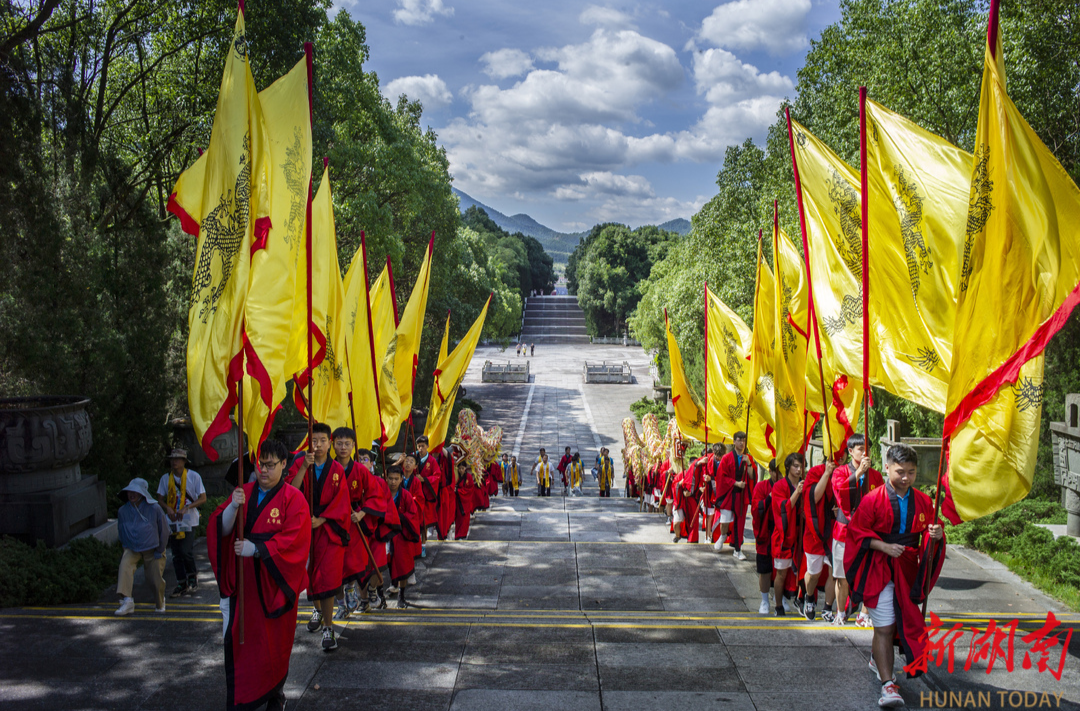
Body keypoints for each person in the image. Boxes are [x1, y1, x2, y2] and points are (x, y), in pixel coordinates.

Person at [207, 439, 311, 711]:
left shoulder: (293, 499)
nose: (264, 470)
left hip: (273, 585)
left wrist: (258, 549)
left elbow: (295, 540)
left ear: (284, 464)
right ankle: (244, 695)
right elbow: (220, 529)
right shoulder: (245, 492)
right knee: (244, 645)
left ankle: (275, 693)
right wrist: (231, 507)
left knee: (273, 645)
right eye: (260, 464)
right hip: (244, 585)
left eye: (270, 465)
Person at [845, 444, 945, 708]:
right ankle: (888, 684)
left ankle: (878, 659)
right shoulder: (872, 499)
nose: (906, 478)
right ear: (886, 467)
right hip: (878, 568)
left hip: (908, 571)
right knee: (886, 627)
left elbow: (930, 532)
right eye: (900, 471)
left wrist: (934, 536)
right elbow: (857, 533)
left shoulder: (923, 501)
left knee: (899, 625)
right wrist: (884, 546)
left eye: (911, 472)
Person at [286, 422, 352, 651]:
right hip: (304, 528)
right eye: (314, 440)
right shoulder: (301, 463)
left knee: (328, 578)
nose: (319, 445)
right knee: (310, 575)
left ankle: (328, 627)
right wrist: (303, 467)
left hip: (329, 530)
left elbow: (342, 502)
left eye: (323, 440)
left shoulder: (336, 470)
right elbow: (290, 492)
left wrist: (323, 519)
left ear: (329, 442)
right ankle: (316, 610)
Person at [332, 428, 391, 619]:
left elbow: (375, 494)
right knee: (334, 567)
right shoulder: (328, 468)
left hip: (354, 522)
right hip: (332, 521)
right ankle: (341, 604)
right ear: (333, 444)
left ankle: (351, 591)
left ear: (353, 446)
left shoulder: (359, 470)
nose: (343, 447)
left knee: (353, 563)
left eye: (347, 443)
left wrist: (363, 512)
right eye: (339, 443)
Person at [832, 433, 884, 626]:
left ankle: (864, 614)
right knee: (841, 576)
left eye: (867, 449)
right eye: (860, 449)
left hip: (867, 532)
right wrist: (858, 474)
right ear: (851, 451)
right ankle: (840, 612)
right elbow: (840, 492)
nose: (864, 453)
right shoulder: (840, 472)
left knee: (868, 574)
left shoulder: (876, 476)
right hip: (844, 530)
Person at [115, 478, 170, 615]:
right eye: (129, 492)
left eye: (135, 492)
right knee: (125, 566)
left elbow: (164, 530)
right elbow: (121, 530)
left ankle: (160, 602)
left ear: (142, 493)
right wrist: (125, 546)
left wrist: (161, 549)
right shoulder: (123, 511)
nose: (132, 495)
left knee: (154, 578)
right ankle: (127, 601)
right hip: (132, 548)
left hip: (153, 548)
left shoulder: (155, 508)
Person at [802, 448, 845, 622]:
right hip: (816, 531)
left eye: (843, 457)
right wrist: (827, 473)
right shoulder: (815, 472)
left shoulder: (846, 473)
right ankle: (809, 596)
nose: (840, 460)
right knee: (814, 573)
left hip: (835, 530)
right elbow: (813, 499)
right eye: (837, 457)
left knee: (832, 573)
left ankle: (828, 606)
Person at [157, 448, 206, 598]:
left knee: (186, 550)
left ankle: (192, 577)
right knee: (176, 553)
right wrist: (167, 508)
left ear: (184, 461)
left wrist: (187, 507)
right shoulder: (166, 478)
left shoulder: (194, 476)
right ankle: (181, 583)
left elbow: (203, 498)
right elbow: (159, 498)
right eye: (172, 459)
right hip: (173, 521)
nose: (174, 462)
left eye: (178, 459)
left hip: (189, 520)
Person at [771, 452, 804, 616]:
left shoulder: (804, 485)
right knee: (781, 573)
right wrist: (797, 492)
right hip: (784, 536)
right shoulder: (779, 486)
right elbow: (782, 509)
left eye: (801, 466)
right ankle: (778, 604)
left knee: (802, 572)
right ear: (788, 467)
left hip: (800, 536)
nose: (798, 470)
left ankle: (801, 600)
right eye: (795, 466)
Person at [385, 464, 422, 609]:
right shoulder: (383, 493)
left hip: (401, 534)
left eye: (396, 479)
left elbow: (413, 515)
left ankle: (401, 594)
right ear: (386, 479)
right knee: (384, 563)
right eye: (390, 479)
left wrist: (399, 517)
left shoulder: (406, 496)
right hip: (386, 533)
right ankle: (381, 593)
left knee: (403, 565)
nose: (393, 482)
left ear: (401, 479)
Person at [713, 433, 754, 560]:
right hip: (729, 493)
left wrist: (750, 465)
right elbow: (721, 477)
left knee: (740, 523)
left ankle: (737, 549)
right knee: (725, 520)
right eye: (739, 440)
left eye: (743, 440)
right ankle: (723, 535)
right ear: (734, 442)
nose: (741, 443)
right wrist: (735, 483)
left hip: (741, 496)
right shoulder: (726, 458)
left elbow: (752, 477)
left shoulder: (748, 458)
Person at [751, 460, 780, 614]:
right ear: (770, 471)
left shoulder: (788, 486)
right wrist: (769, 497)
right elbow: (756, 509)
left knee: (782, 569)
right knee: (765, 569)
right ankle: (764, 601)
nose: (778, 475)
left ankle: (779, 598)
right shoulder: (761, 486)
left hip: (782, 533)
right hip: (766, 533)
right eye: (775, 471)